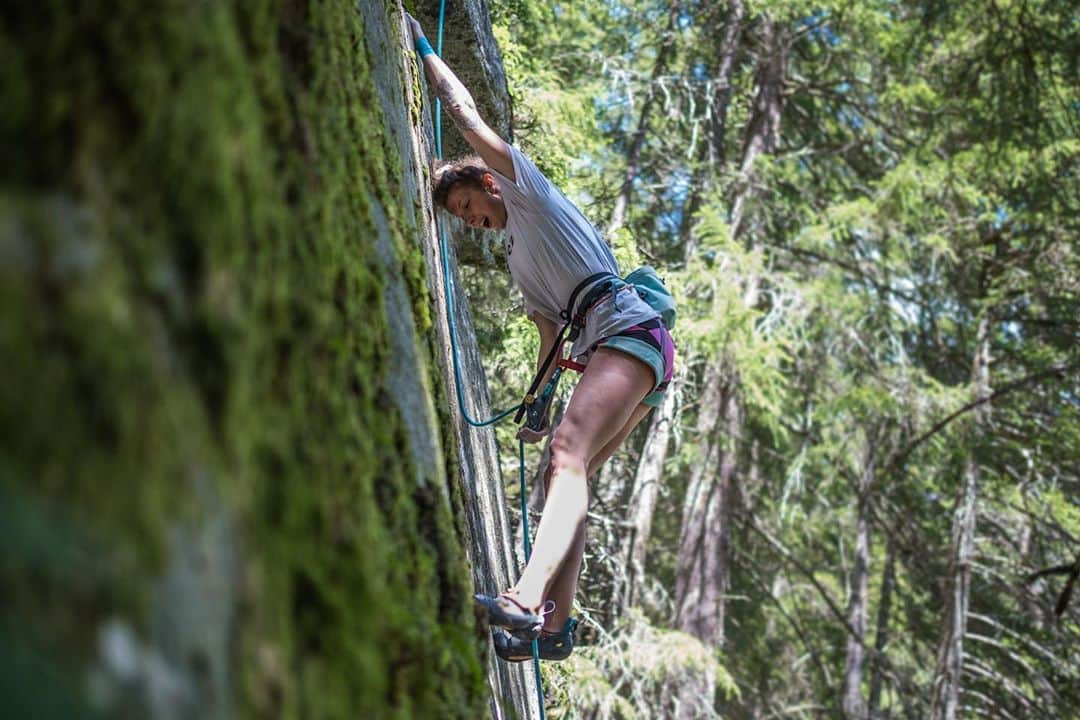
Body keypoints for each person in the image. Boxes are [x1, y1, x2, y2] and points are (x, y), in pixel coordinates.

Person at [406, 13, 675, 661]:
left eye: (470, 204)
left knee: (567, 460)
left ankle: (524, 601)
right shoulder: (520, 257)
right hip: (618, 345)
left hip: (625, 326)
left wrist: (421, 48)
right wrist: (539, 401)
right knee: (561, 479)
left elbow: (465, 114)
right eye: (464, 219)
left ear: (489, 183)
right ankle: (553, 632)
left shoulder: (527, 192)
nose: (475, 219)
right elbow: (550, 337)